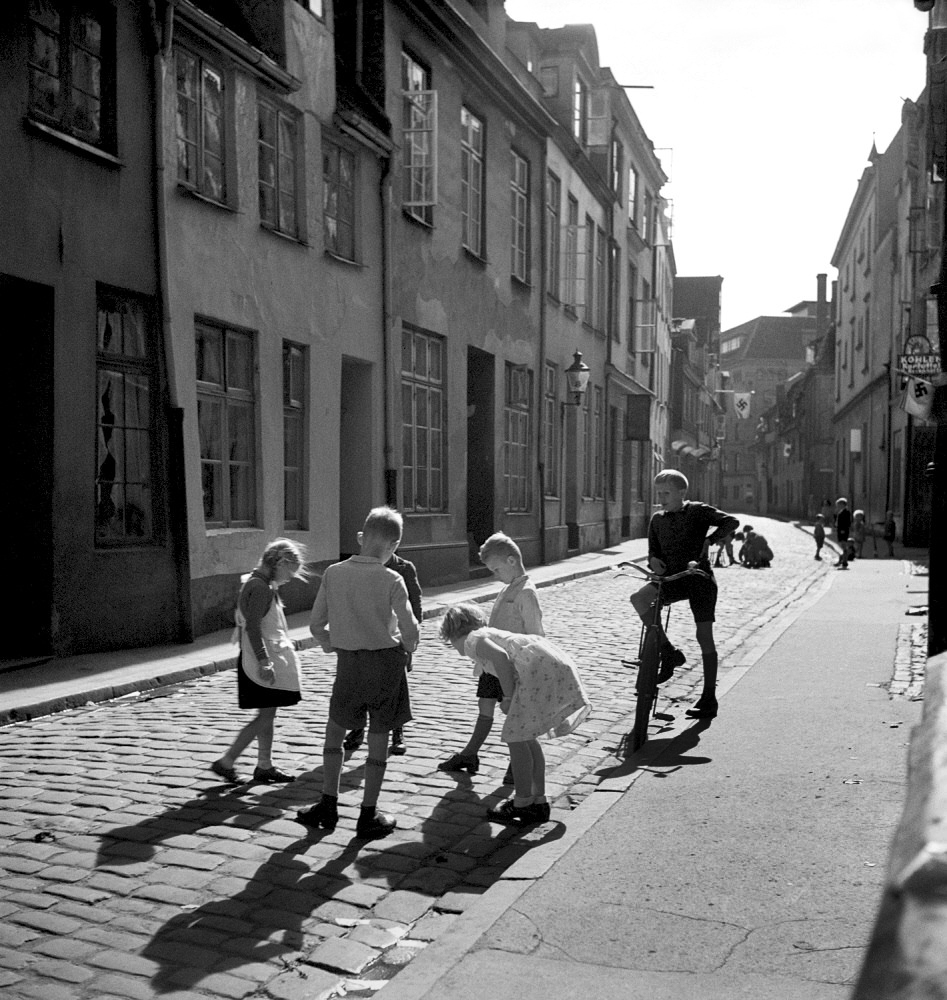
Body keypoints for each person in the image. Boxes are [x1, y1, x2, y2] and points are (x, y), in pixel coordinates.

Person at [299, 506, 420, 838]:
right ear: (394, 546)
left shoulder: (334, 573)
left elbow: (315, 624)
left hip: (349, 664)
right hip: (386, 665)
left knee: (335, 734)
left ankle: (328, 803)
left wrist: (334, 644)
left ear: (362, 538)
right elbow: (410, 629)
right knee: (378, 739)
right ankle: (368, 814)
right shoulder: (392, 578)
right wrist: (408, 649)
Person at [439, 602, 591, 826]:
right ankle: (539, 801)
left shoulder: (473, 640)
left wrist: (508, 698)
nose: (456, 649)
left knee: (516, 737)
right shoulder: (486, 634)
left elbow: (501, 658)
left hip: (536, 672)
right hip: (548, 666)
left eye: (451, 643)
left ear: (454, 633)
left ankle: (522, 803)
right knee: (527, 738)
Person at [630, 470, 740, 720]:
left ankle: (709, 697)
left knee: (704, 636)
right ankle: (668, 652)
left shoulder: (697, 511)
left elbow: (731, 522)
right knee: (638, 599)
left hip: (698, 579)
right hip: (671, 579)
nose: (661, 498)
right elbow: (653, 553)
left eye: (666, 493)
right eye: (659, 493)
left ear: (682, 493)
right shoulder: (657, 519)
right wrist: (654, 562)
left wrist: (709, 541)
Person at [438, 532, 544, 781]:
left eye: (496, 569)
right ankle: (470, 753)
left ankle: (517, 764)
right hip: (492, 665)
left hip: (512, 666)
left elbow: (536, 635)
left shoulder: (526, 593)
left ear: (510, 561)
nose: (495, 576)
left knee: (515, 716)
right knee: (484, 708)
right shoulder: (508, 588)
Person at [210, 539, 308, 785]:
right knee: (264, 717)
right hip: (258, 661)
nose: (290, 578)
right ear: (280, 563)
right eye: (290, 571)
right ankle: (227, 761)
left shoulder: (259, 583)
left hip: (258, 659)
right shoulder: (260, 587)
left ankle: (264, 766)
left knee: (267, 714)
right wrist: (265, 661)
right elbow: (253, 628)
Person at [343, 548, 423, 759]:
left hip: (395, 637)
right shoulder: (363, 566)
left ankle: (397, 733)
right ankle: (358, 728)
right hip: (367, 634)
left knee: (396, 684)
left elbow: (415, 602)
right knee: (361, 684)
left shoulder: (404, 568)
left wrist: (411, 640)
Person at [835, 497, 852, 569]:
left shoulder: (846, 512)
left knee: (843, 546)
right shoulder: (841, 512)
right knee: (842, 546)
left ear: (843, 504)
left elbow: (846, 522)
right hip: (840, 530)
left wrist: (843, 530)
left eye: (839, 504)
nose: (838, 506)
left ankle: (844, 561)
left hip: (843, 531)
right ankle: (842, 560)